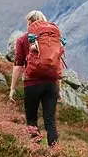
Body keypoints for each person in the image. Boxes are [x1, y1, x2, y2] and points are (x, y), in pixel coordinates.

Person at [9, 10, 64, 148]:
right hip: (51, 84)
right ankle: (55, 152)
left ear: (29, 23)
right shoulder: (53, 39)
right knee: (50, 121)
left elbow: (18, 65)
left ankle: (36, 151)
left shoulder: (23, 39)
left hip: (32, 84)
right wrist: (60, 90)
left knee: (32, 119)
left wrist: (12, 88)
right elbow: (58, 64)